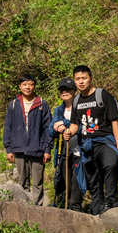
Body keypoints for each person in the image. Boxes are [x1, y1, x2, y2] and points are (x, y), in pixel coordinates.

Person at [62, 65, 118, 215]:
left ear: (91, 79)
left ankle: (110, 201)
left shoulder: (102, 95)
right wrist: (69, 133)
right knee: (94, 180)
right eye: (77, 79)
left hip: (105, 141)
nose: (81, 82)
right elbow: (74, 124)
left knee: (110, 165)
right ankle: (97, 211)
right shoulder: (76, 100)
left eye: (84, 78)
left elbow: (115, 122)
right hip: (87, 145)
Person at [3, 74, 53, 205]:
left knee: (38, 182)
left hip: (38, 148)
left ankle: (38, 208)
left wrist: (47, 149)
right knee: (22, 182)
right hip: (19, 148)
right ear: (20, 87)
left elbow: (48, 128)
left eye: (30, 84)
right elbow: (8, 127)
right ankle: (24, 208)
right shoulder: (13, 105)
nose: (27, 87)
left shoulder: (42, 104)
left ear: (34, 86)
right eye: (24, 84)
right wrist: (9, 149)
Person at [49, 78, 83, 212]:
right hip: (64, 151)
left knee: (77, 179)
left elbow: (83, 127)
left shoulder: (81, 106)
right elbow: (50, 129)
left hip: (80, 149)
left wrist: (65, 124)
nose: (64, 92)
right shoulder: (58, 110)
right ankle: (67, 205)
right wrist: (56, 128)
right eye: (62, 90)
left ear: (75, 91)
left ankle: (76, 207)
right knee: (65, 178)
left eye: (68, 89)